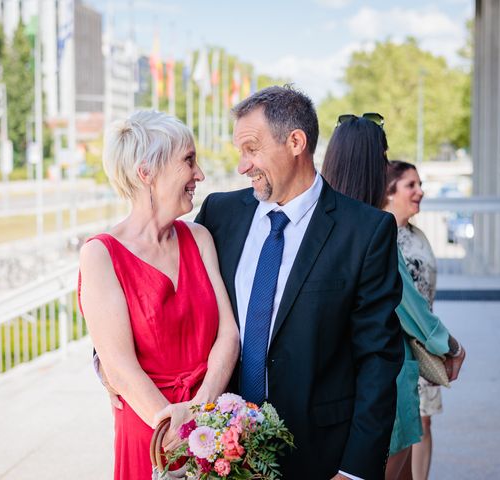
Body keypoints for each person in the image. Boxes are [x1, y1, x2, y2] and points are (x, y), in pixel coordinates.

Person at [195, 85, 404, 480]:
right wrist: (113, 360)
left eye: (252, 149)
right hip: (222, 456)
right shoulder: (219, 215)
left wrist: (355, 470)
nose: (243, 166)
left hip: (320, 456)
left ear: (296, 142)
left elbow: (378, 359)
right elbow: (170, 288)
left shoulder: (365, 231)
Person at [79, 110, 240, 480]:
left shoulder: (199, 238)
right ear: (146, 172)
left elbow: (228, 334)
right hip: (151, 432)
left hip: (211, 426)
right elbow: (118, 366)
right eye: (188, 160)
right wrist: (173, 429)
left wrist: (201, 412)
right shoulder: (101, 255)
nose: (199, 174)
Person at [321, 116, 465, 480]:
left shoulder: (318, 223)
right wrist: (449, 345)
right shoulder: (374, 226)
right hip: (385, 380)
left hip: (330, 384)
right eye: (382, 156)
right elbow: (407, 302)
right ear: (373, 165)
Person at [383, 160, 465, 480]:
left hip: (425, 343)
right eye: (411, 185)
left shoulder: (418, 235)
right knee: (412, 423)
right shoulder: (381, 234)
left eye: (420, 184)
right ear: (389, 192)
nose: (420, 191)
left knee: (424, 421)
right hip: (405, 344)